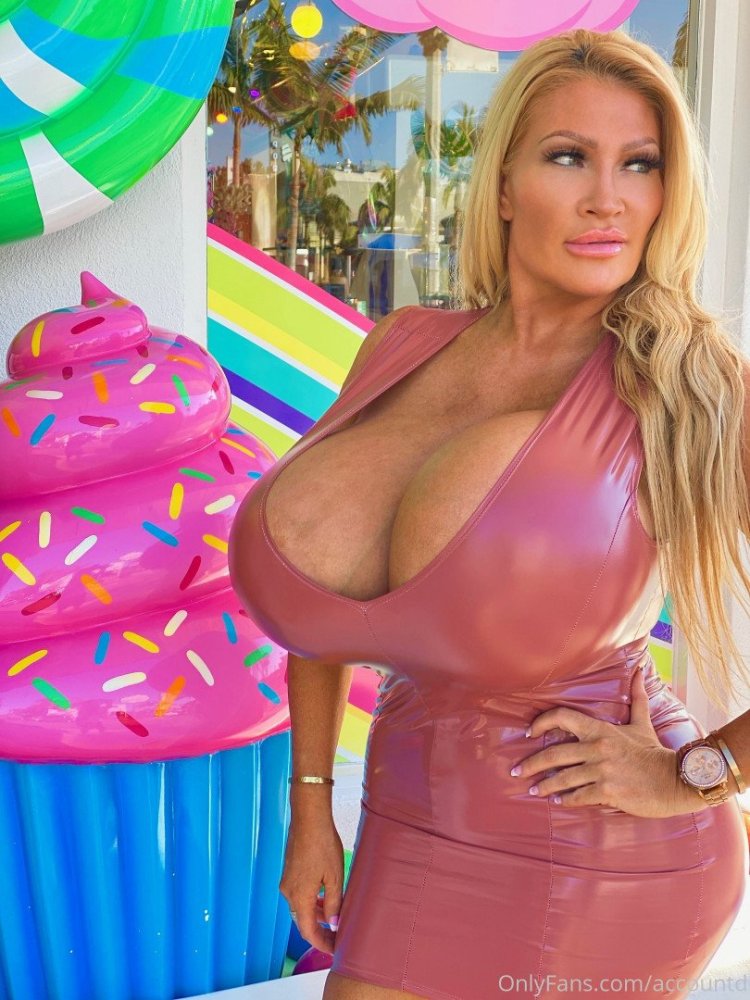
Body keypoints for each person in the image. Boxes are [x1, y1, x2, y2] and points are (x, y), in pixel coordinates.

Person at [227, 26, 750, 1000]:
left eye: (640, 164)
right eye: (569, 157)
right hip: (409, 815)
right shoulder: (403, 345)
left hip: (605, 849)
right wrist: (311, 806)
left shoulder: (686, 383)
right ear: (504, 186)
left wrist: (698, 772)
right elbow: (327, 608)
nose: (608, 198)